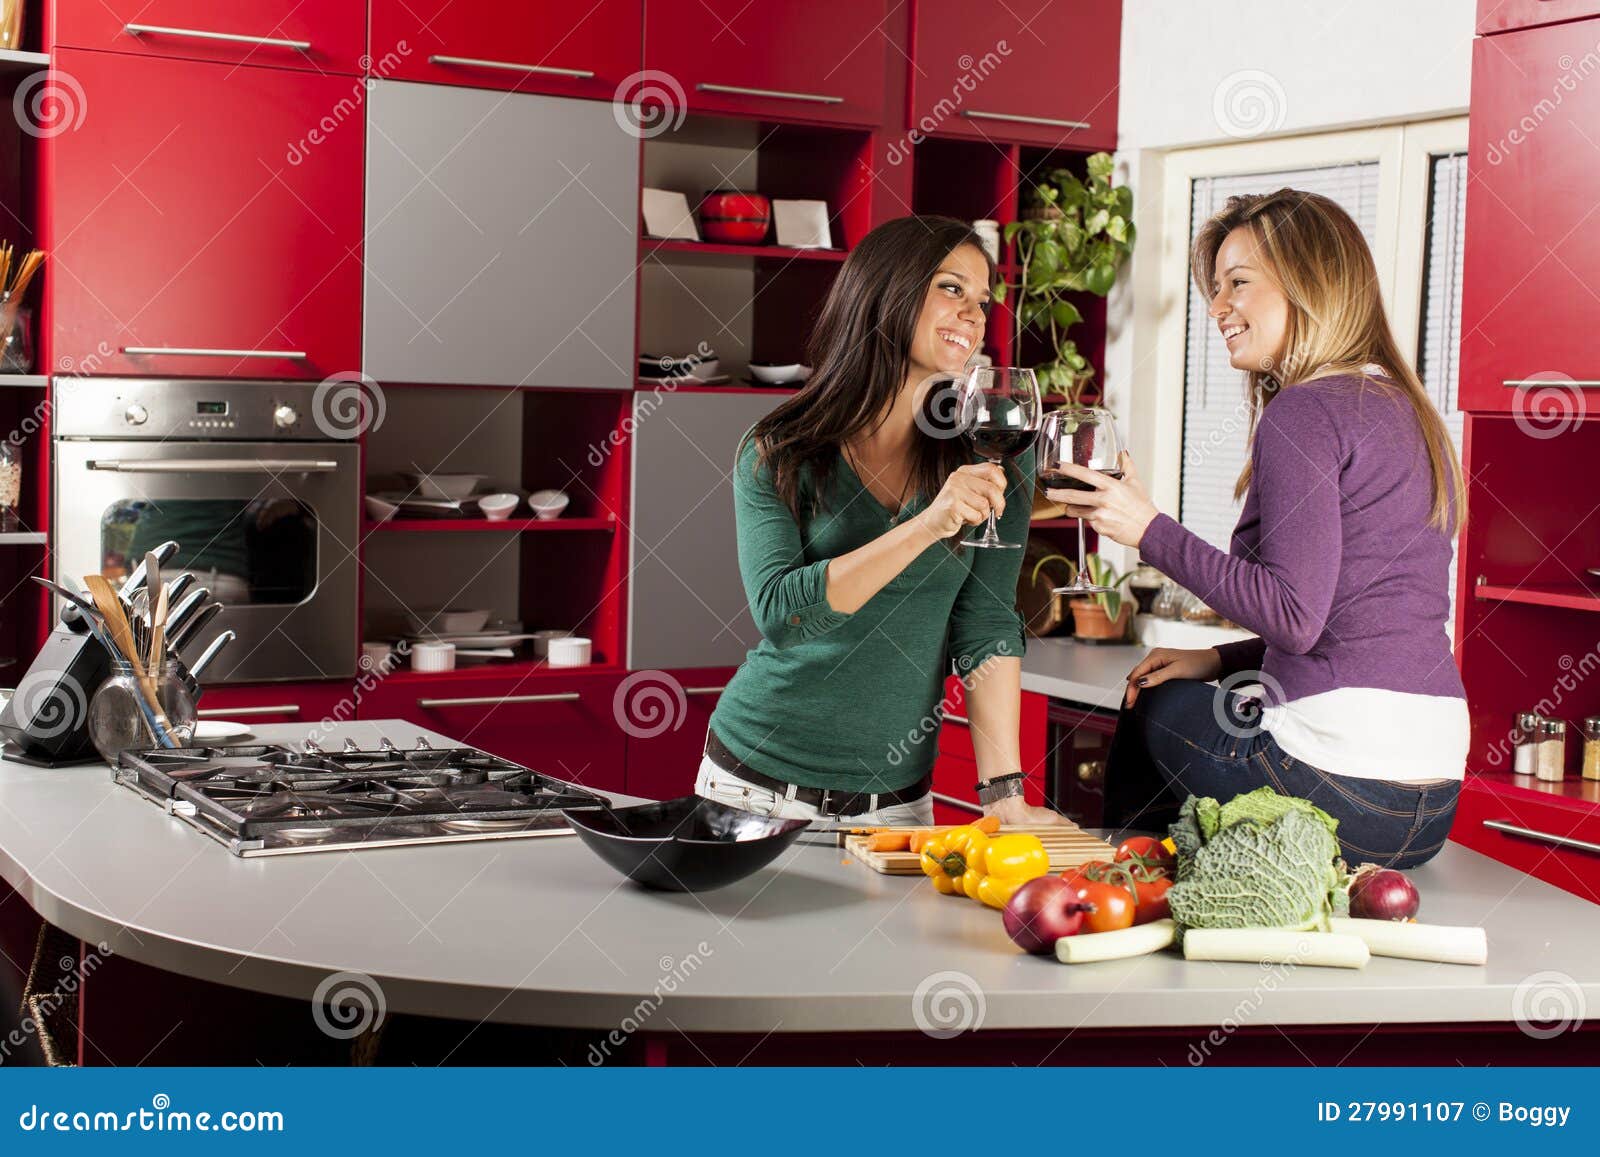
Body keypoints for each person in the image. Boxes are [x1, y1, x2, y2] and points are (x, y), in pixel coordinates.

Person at [1046, 189, 1466, 868]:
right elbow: (1348, 616)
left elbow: (1296, 619)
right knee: (1199, 692)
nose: (1216, 309)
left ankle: (1128, 887)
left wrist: (1145, 526)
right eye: (1214, 290)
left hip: (1335, 792)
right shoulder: (1408, 409)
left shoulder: (1303, 412)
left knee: (1152, 705)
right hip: (1429, 808)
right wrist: (1217, 660)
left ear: (1310, 284)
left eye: (1237, 283)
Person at [696, 215, 1064, 826]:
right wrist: (929, 524)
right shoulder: (781, 449)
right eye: (952, 289)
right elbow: (784, 615)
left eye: (982, 301)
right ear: (886, 292)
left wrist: (1005, 795)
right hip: (752, 783)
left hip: (895, 807)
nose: (974, 316)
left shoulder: (990, 461)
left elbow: (987, 626)